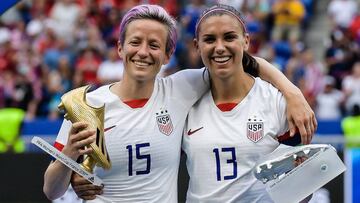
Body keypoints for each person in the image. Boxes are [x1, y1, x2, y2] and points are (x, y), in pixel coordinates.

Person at [44, 4, 316, 202]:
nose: (143, 52)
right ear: (119, 48)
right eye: (135, 42)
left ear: (167, 54)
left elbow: (239, 63)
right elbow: (51, 191)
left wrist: (292, 92)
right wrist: (69, 159)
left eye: (154, 45)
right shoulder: (87, 105)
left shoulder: (180, 88)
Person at [182, 4, 311, 202]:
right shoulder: (183, 99)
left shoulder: (276, 101)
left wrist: (301, 182)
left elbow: (302, 189)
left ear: (246, 41)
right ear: (197, 46)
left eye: (229, 37)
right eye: (209, 39)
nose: (219, 47)